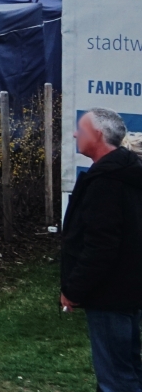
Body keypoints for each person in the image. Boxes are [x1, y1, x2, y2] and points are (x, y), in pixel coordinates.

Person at [61, 106, 142, 392]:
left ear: (97, 135)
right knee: (127, 368)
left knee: (116, 379)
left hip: (109, 294)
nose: (75, 134)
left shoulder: (106, 182)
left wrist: (74, 289)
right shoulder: (126, 172)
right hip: (128, 289)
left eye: (80, 130)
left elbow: (100, 246)